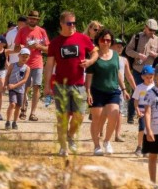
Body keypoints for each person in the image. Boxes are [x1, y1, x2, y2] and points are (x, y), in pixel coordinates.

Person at [44, 11, 98, 157]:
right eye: (69, 23)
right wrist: (47, 85)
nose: (72, 26)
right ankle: (63, 147)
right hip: (61, 85)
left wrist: (89, 62)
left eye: (74, 23)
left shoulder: (83, 38)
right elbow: (49, 65)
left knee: (79, 115)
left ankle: (70, 135)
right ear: (61, 24)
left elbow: (95, 52)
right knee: (62, 117)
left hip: (79, 85)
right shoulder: (55, 43)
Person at [86, 29, 130, 156]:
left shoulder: (115, 55)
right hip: (97, 90)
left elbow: (118, 74)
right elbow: (89, 77)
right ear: (98, 41)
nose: (105, 42)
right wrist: (88, 92)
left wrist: (124, 89)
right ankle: (96, 145)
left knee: (114, 115)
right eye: (103, 40)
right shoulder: (94, 56)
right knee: (96, 118)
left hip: (113, 90)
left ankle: (106, 141)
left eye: (108, 40)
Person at [125, 19, 158, 124]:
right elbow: (128, 50)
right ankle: (131, 115)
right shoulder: (137, 37)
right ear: (145, 27)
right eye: (150, 29)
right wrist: (138, 55)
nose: (152, 32)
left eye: (154, 30)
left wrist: (156, 55)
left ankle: (149, 113)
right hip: (138, 69)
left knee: (152, 92)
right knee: (136, 91)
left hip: (151, 71)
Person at [13, 10, 49, 121]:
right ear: (28, 19)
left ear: (37, 20)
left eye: (35, 19)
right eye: (31, 18)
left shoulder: (42, 31)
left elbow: (48, 49)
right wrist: (24, 47)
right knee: (24, 87)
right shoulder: (22, 31)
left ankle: (33, 113)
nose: (32, 20)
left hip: (38, 62)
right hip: (25, 63)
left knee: (37, 87)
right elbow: (16, 48)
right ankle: (23, 109)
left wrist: (39, 47)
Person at [112, 37, 136, 142]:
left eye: (121, 46)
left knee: (119, 111)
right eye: (117, 45)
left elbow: (129, 75)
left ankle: (117, 134)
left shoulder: (124, 60)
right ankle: (100, 131)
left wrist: (136, 88)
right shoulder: (106, 57)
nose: (120, 47)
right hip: (107, 87)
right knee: (104, 111)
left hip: (120, 88)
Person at [5, 48, 31, 130]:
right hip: (11, 88)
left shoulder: (27, 68)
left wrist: (14, 86)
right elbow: (8, 75)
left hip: (20, 89)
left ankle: (15, 122)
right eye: (23, 56)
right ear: (19, 55)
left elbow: (24, 80)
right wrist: (6, 84)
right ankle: (8, 121)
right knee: (12, 104)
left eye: (26, 57)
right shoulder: (12, 65)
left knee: (18, 106)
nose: (24, 58)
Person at [133, 65, 155, 157]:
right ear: (142, 77)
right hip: (142, 111)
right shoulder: (139, 87)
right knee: (142, 129)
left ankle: (148, 147)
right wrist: (137, 110)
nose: (149, 79)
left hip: (153, 111)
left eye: (151, 77)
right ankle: (139, 146)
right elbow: (136, 100)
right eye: (147, 77)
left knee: (151, 130)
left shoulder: (155, 87)